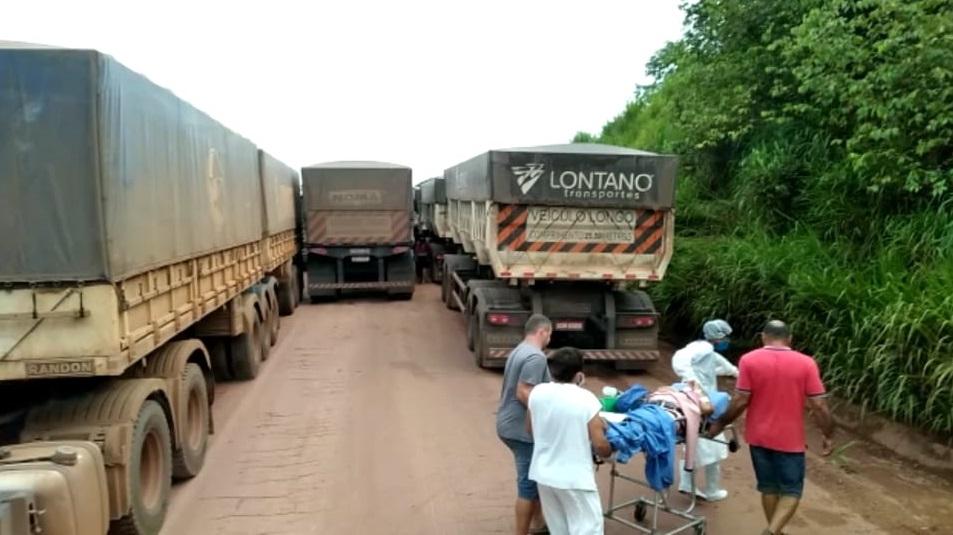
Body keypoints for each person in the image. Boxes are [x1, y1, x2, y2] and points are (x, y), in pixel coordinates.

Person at [707, 320, 834, 535]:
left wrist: (720, 423)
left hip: (758, 437)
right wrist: (828, 433)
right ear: (790, 339)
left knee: (768, 487)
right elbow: (819, 405)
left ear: (763, 337)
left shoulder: (749, 360)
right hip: (790, 440)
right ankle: (772, 531)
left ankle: (775, 531)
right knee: (792, 490)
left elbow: (740, 400)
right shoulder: (806, 363)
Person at [526, 348, 612, 535]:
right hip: (574, 479)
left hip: (544, 475)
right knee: (588, 529)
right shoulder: (586, 399)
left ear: (551, 371)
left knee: (559, 530)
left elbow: (530, 430)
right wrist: (609, 450)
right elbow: (600, 445)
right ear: (579, 375)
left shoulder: (537, 392)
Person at [497, 314, 553, 535]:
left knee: (535, 477)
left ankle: (539, 524)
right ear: (542, 332)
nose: (550, 338)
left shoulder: (519, 349)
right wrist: (553, 411)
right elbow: (523, 392)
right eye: (550, 334)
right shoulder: (536, 357)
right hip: (521, 429)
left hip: (508, 423)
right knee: (528, 486)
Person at [671, 319, 738, 501]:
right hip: (702, 403)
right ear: (717, 337)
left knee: (694, 442)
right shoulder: (702, 349)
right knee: (711, 445)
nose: (727, 340)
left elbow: (725, 367)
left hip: (697, 401)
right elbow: (680, 360)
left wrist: (739, 373)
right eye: (725, 337)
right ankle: (711, 490)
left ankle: (688, 483)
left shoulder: (707, 351)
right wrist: (695, 383)